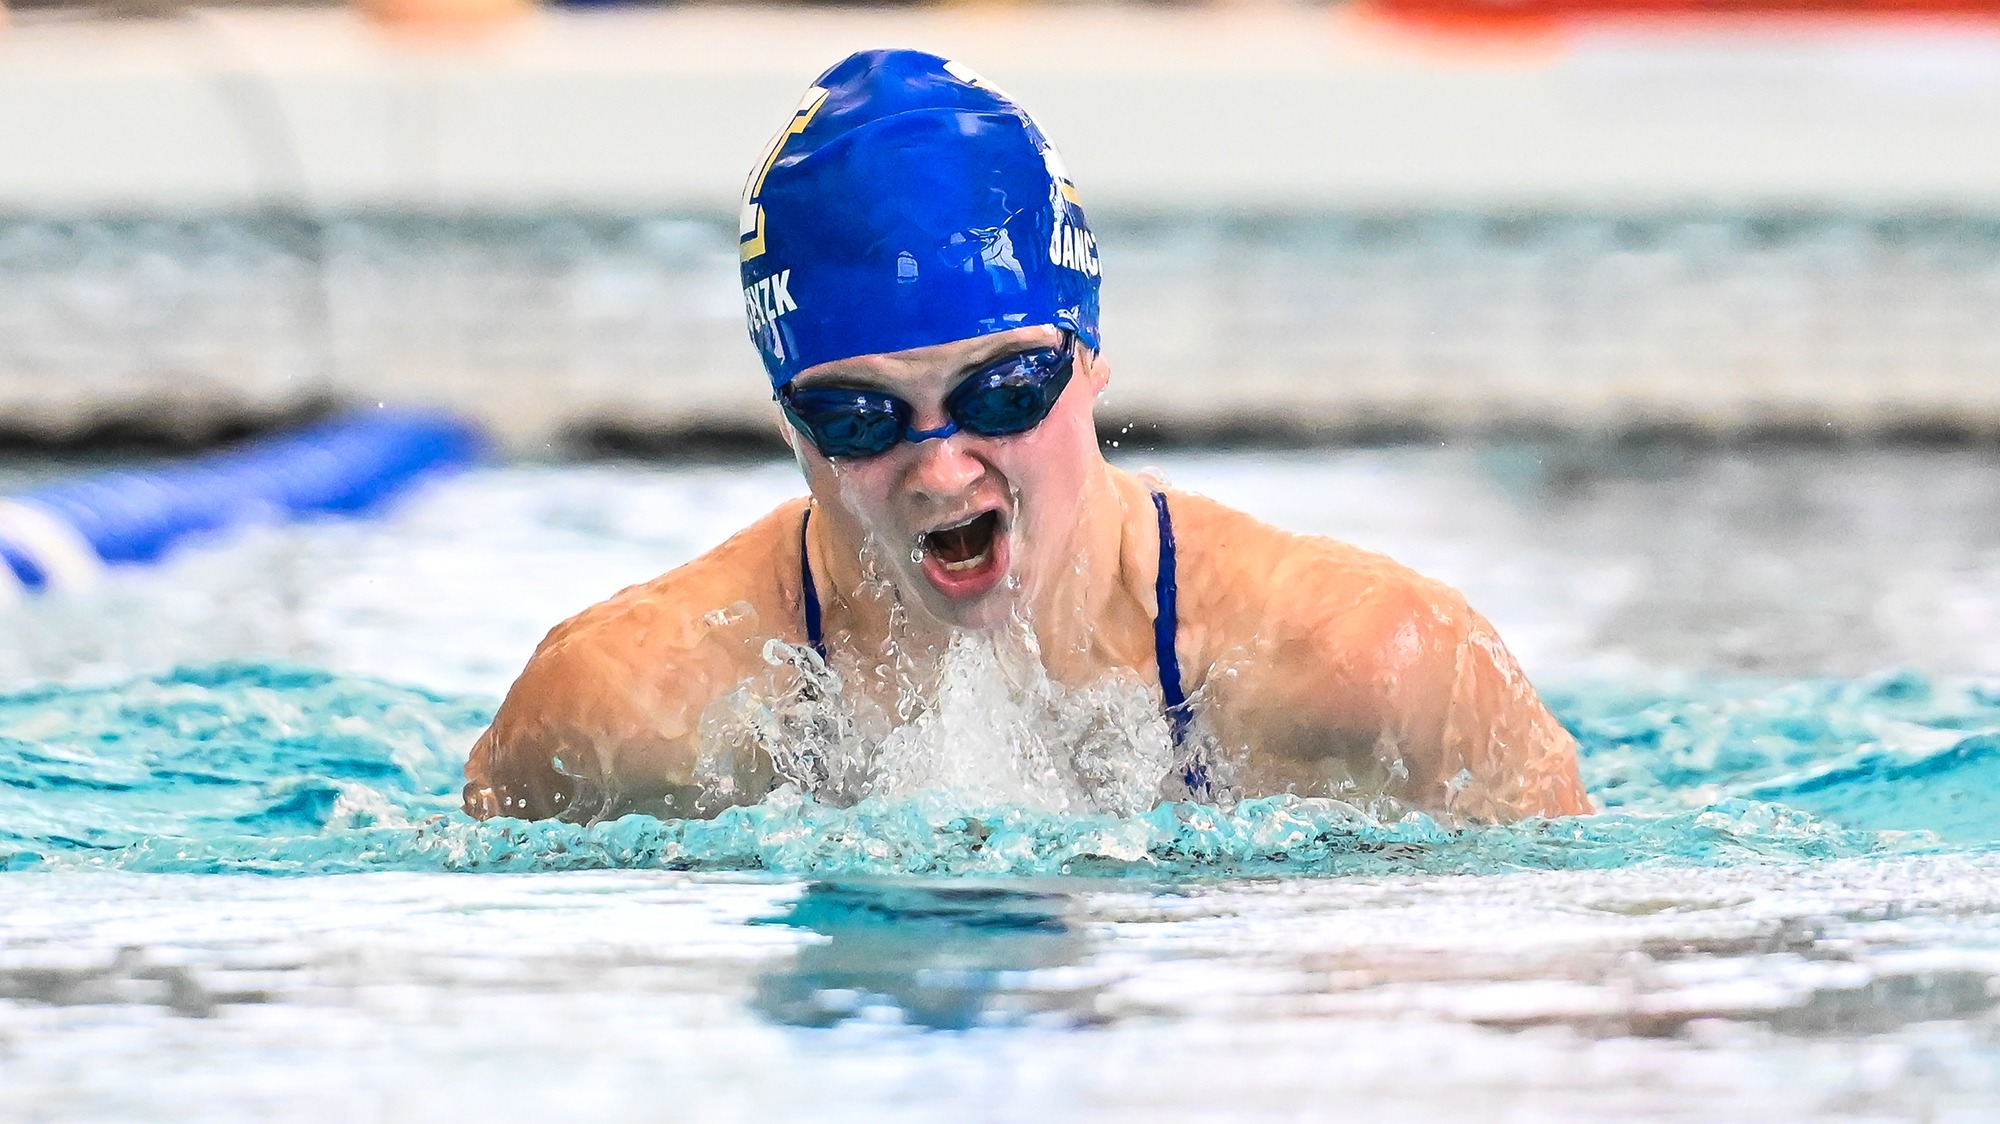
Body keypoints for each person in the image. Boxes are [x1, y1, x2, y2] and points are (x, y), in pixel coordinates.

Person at [461, 49, 1590, 825]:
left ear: (1089, 351)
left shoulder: (1370, 666)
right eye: (858, 416)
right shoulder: (627, 708)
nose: (941, 469)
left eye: (1001, 390)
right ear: (787, 419)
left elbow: (1586, 964)